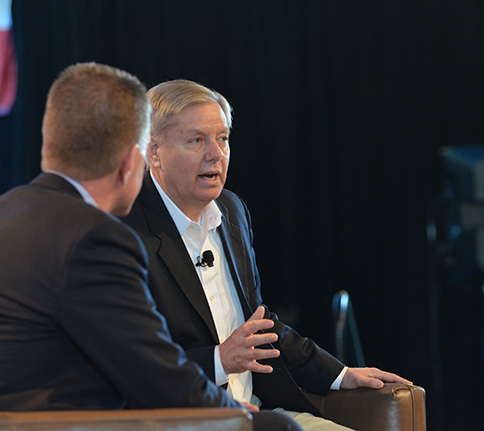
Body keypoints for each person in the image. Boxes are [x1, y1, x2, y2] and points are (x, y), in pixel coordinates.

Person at [0, 63, 301, 431]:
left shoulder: (10, 209)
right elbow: (155, 375)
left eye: (222, 139)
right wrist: (232, 413)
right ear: (134, 160)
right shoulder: (96, 238)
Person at [122, 79, 412, 430]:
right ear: (154, 151)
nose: (215, 153)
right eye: (197, 140)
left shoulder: (231, 211)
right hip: (189, 419)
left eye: (223, 139)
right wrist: (220, 360)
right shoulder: (125, 232)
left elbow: (260, 327)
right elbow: (130, 361)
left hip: (261, 413)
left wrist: (340, 375)